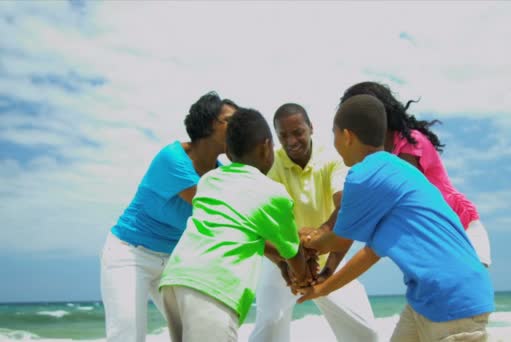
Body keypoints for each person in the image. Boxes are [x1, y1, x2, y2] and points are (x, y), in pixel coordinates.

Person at [299, 94, 495, 341]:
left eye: (334, 134)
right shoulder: (398, 170)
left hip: (453, 300)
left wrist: (304, 239)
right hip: (427, 298)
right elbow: (371, 252)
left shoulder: (363, 176)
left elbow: (337, 241)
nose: (334, 142)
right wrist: (323, 289)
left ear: (347, 136)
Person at [159, 108, 309, 342]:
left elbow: (233, 226)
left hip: (175, 279)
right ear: (267, 146)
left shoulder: (210, 180)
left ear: (228, 153)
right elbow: (292, 250)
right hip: (213, 285)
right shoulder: (273, 193)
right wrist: (302, 277)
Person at [100, 91, 237, 341]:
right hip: (131, 254)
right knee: (127, 334)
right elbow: (220, 214)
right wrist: (285, 255)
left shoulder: (223, 172)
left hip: (174, 260)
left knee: (196, 331)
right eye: (230, 122)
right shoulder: (173, 159)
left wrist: (287, 256)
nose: (238, 130)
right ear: (208, 124)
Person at [249, 103, 378, 342]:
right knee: (268, 326)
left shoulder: (331, 158)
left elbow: (344, 207)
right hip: (281, 256)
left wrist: (318, 239)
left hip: (327, 254)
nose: (291, 141)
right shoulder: (271, 163)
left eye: (298, 132)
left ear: (311, 128)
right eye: (283, 135)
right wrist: (287, 262)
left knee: (365, 332)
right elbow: (260, 221)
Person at [340, 81, 492, 266]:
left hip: (461, 227)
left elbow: (391, 196)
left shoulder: (410, 142)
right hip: (433, 234)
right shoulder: (379, 155)